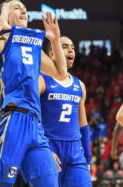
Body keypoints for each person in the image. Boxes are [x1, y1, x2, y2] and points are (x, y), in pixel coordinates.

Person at [0, 0, 68, 187]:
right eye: (16, 8)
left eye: (24, 8)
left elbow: (61, 73)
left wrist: (54, 40)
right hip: (11, 121)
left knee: (49, 182)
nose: (23, 10)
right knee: (0, 183)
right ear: (4, 15)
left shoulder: (33, 44)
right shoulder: (1, 41)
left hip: (35, 124)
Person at [38, 36, 92, 187]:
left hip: (75, 150)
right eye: (65, 46)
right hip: (50, 146)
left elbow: (83, 125)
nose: (70, 50)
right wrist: (43, 149)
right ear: (51, 54)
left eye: (73, 47)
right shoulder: (41, 80)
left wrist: (87, 158)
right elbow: (32, 118)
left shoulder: (79, 85)